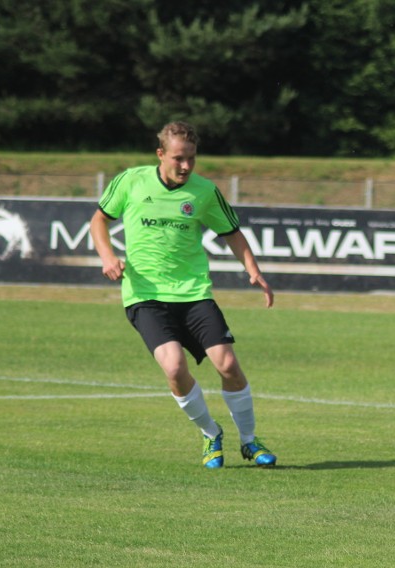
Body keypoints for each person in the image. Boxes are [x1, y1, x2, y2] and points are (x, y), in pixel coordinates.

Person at [89, 121, 278, 469]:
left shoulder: (204, 191)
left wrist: (253, 269)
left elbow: (232, 233)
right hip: (145, 295)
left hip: (193, 293)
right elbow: (99, 220)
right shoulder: (131, 181)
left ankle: (250, 442)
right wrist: (107, 257)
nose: (186, 166)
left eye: (191, 158)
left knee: (228, 364)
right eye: (178, 159)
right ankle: (210, 434)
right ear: (160, 154)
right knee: (175, 368)